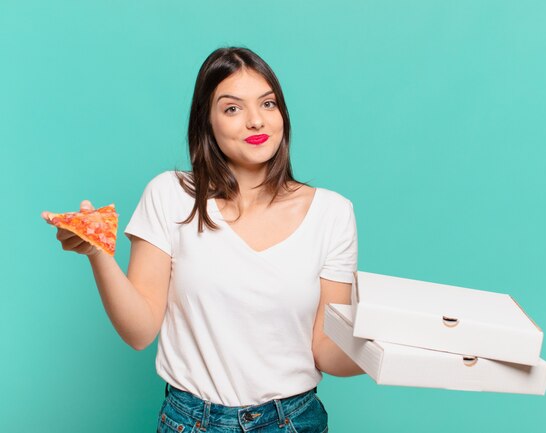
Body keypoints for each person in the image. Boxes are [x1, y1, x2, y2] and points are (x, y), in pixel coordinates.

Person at [41, 46, 364, 433]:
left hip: (294, 421)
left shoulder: (332, 213)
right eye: (232, 108)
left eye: (268, 104)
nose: (256, 121)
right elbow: (140, 330)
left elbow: (326, 351)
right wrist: (98, 253)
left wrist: (383, 348)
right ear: (206, 122)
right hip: (193, 422)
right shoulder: (169, 195)